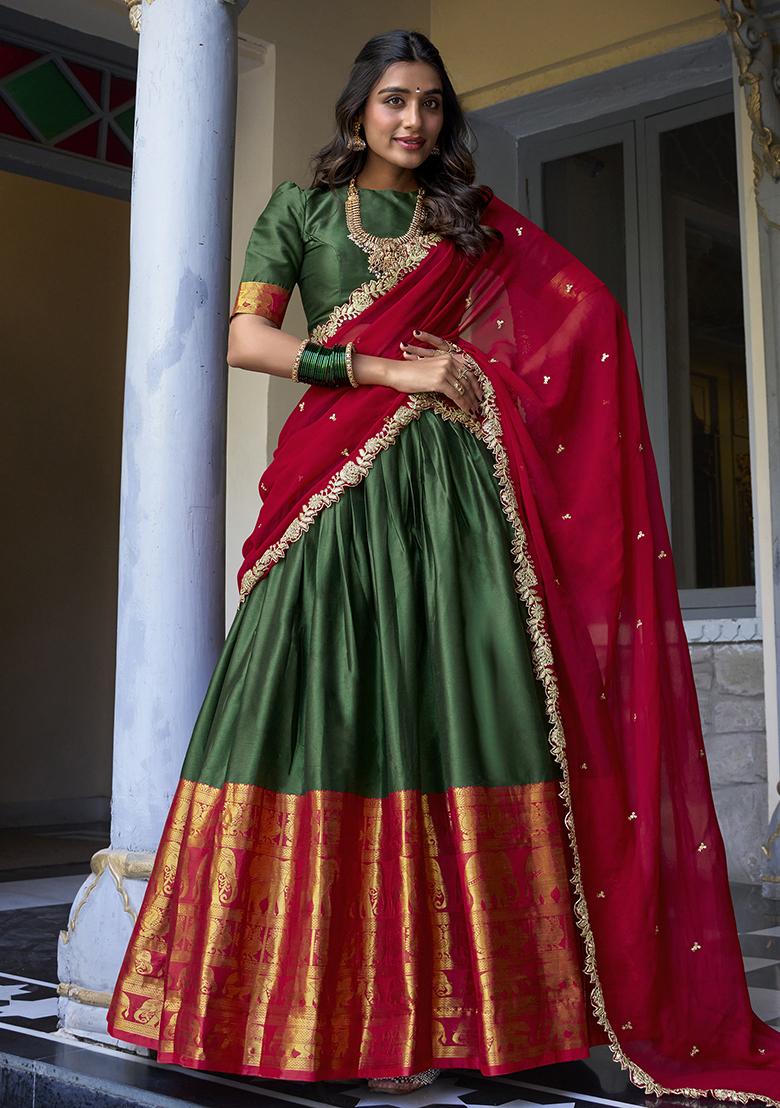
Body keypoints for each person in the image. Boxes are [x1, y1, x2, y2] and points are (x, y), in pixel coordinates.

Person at [106, 27, 780, 1103]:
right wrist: (385, 368)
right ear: (358, 110)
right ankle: (303, 1013)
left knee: (465, 710)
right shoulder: (300, 211)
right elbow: (248, 340)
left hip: (457, 509)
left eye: (429, 102)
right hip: (334, 503)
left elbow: (590, 320)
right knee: (317, 712)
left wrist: (473, 373)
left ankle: (491, 1016)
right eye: (393, 99)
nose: (412, 119)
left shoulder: (471, 223)